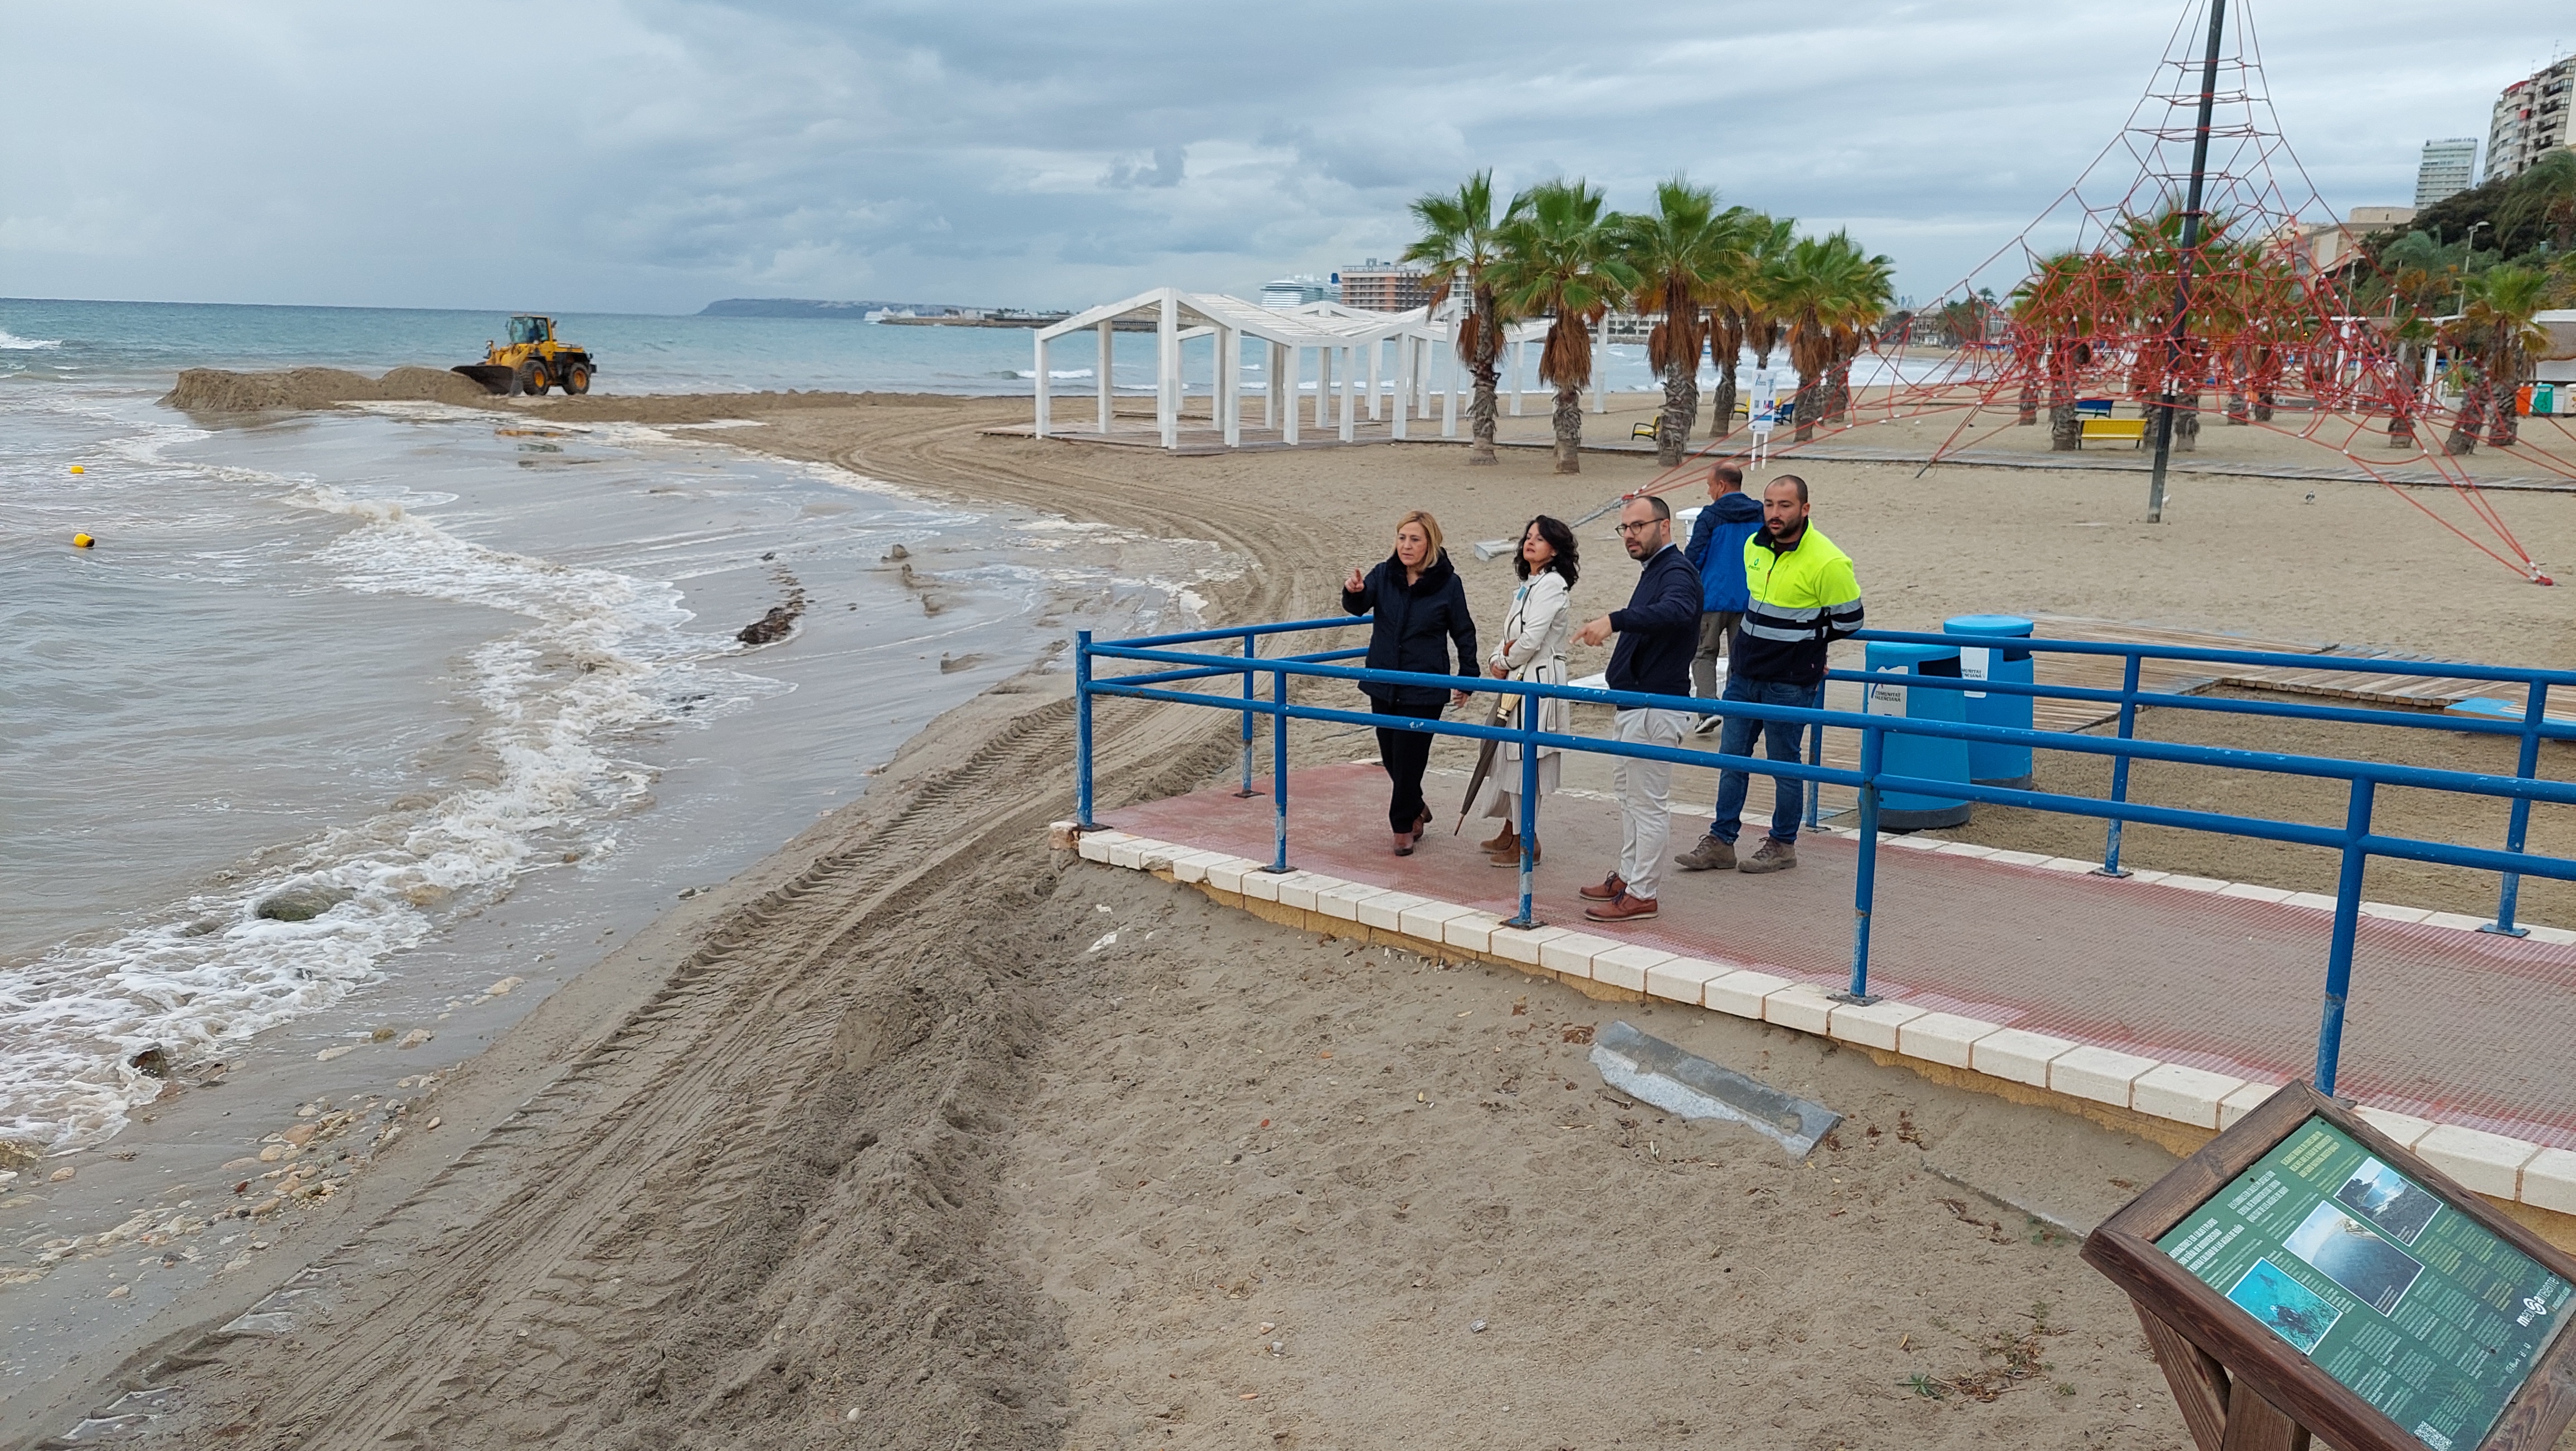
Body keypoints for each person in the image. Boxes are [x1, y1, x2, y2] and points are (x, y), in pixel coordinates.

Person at [1676, 474, 1864, 875]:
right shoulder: (1753, 546)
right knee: (1732, 760)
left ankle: (1782, 844)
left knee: (1785, 765)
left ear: (1805, 509)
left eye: (1785, 506)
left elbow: (1850, 621)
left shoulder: (1828, 561)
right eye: (1769, 505)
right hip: (1745, 674)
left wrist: (1810, 650)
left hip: (1791, 682)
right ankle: (1721, 841)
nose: (1775, 514)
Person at [1569, 495, 1700, 922]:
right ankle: (1628, 878)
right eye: (1624, 528)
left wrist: (1616, 620)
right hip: (1635, 702)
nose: (1630, 535)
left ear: (1664, 526)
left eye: (1638, 526)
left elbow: (1678, 612)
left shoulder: (1676, 570)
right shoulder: (1656, 571)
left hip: (1655, 704)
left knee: (1646, 803)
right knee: (1629, 798)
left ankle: (1643, 892)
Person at [1343, 510, 1477, 856]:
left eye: (1415, 539)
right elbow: (1359, 606)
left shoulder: (1449, 583)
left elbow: (1464, 631)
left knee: (1410, 758)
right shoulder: (1384, 573)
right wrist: (1354, 592)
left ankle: (1403, 826)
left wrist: (1467, 676)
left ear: (1430, 543)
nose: (1406, 545)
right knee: (1391, 755)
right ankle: (1416, 805)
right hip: (1383, 680)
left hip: (1425, 685)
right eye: (1402, 538)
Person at [1472, 515, 1579, 867]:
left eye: (1540, 538)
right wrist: (1496, 657)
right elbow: (1508, 633)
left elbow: (1531, 639)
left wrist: (1503, 659)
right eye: (1528, 536)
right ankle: (1512, 828)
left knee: (1525, 757)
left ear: (1555, 549)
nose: (1530, 542)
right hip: (1520, 674)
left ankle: (1527, 840)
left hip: (1536, 679)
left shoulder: (1551, 585)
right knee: (1509, 754)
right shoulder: (1529, 583)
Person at [1680, 461, 1764, 732]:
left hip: (1713, 598)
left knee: (1704, 653)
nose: (1708, 491)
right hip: (1749, 597)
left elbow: (1694, 558)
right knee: (1740, 656)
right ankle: (1736, 709)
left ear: (1721, 485)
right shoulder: (1760, 513)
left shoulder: (1710, 516)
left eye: (1709, 485)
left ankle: (1708, 710)